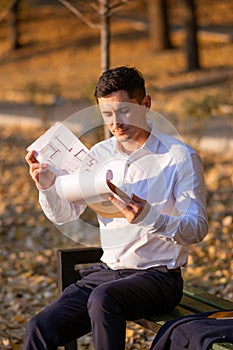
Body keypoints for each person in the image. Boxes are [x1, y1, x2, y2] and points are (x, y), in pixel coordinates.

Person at [24, 66, 208, 350]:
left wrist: (151, 217)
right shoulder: (99, 155)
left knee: (103, 299)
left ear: (146, 104)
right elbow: (64, 214)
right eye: (107, 114)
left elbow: (197, 228)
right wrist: (48, 186)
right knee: (40, 327)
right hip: (107, 273)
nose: (116, 123)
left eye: (124, 111)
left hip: (159, 278)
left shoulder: (180, 157)